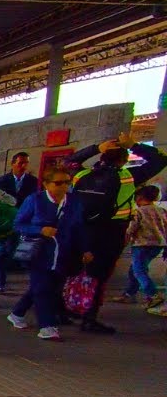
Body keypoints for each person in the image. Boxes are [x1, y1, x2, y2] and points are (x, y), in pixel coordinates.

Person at [69, 134, 167, 333]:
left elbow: (69, 161)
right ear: (123, 160)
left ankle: (67, 308)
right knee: (100, 275)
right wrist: (134, 145)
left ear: (102, 156)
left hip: (82, 229)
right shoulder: (127, 177)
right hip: (112, 232)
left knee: (74, 269)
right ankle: (89, 317)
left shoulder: (81, 175)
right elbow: (160, 160)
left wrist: (97, 147)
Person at [6, 167, 89, 340]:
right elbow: (18, 224)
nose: (63, 186)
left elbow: (79, 228)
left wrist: (85, 249)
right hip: (39, 252)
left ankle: (17, 313)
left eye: (67, 182)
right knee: (43, 289)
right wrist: (40, 230)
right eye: (58, 183)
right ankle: (47, 326)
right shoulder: (35, 200)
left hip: (63, 253)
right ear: (46, 184)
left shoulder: (74, 202)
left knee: (48, 287)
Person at [0, 152, 38, 294]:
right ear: (13, 164)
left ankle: (30, 282)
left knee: (18, 251)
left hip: (23, 220)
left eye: (26, 163)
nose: (23, 166)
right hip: (5, 222)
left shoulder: (32, 181)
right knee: (1, 252)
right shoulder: (2, 181)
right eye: (20, 163)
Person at [116, 185, 167, 308]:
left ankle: (153, 295)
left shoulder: (139, 212)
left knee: (139, 270)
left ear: (139, 198)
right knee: (135, 269)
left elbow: (131, 229)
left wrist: (123, 243)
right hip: (158, 245)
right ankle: (129, 294)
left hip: (142, 245)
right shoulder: (162, 211)